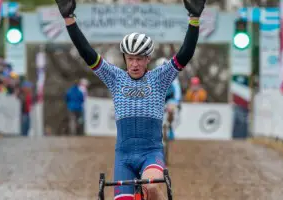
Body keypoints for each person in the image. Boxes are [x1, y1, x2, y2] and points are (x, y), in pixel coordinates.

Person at [55, 0, 205, 199]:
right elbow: (87, 53)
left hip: (150, 152)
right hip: (124, 157)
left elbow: (184, 55)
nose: (134, 64)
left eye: (140, 58)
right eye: (130, 58)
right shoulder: (115, 77)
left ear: (147, 59)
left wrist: (194, 20)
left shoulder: (159, 78)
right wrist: (69, 19)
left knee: (151, 187)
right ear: (125, 58)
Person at [156, 58, 182, 141]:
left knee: (171, 110)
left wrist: (177, 102)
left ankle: (170, 128)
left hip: (171, 98)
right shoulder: (155, 76)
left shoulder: (173, 77)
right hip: (160, 99)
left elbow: (177, 91)